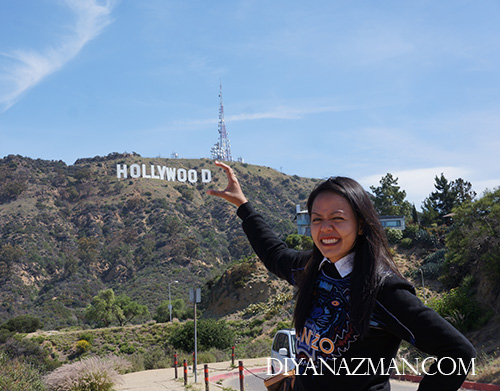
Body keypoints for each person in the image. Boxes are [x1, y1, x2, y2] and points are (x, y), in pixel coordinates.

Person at [207, 161, 476, 391]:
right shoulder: (312, 268)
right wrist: (243, 205)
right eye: (317, 219)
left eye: (337, 218)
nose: (326, 228)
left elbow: (458, 352)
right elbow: (274, 253)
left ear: (360, 225)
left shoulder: (382, 289)